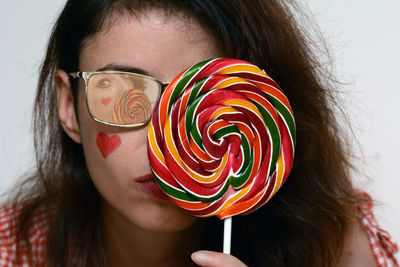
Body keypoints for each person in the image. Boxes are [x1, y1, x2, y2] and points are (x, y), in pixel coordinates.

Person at [0, 0, 398, 266]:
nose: (163, 138)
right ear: (69, 106)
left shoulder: (335, 246)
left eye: (202, 95)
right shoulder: (12, 251)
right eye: (125, 93)